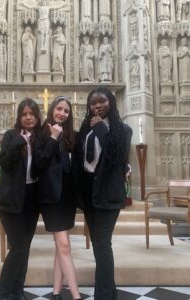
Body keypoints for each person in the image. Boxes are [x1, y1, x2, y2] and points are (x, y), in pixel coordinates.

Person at [73, 86, 132, 300]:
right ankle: (110, 292)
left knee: (103, 244)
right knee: (99, 246)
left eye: (102, 101)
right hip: (90, 195)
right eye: (93, 103)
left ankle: (104, 296)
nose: (97, 106)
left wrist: (99, 129)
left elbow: (116, 158)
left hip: (108, 195)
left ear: (111, 103)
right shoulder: (86, 130)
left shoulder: (123, 130)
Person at [0, 98, 42, 300]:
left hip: (31, 200)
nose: (28, 117)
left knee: (24, 248)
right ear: (19, 117)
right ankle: (3, 292)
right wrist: (19, 142)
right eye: (24, 114)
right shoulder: (11, 136)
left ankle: (17, 290)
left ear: (38, 117)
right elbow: (4, 163)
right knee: (19, 247)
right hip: (11, 200)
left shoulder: (41, 138)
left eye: (32, 114)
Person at [34, 96, 82, 300]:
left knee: (60, 246)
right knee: (64, 245)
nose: (62, 113)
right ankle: (76, 295)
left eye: (66, 111)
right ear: (52, 109)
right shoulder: (41, 133)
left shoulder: (71, 136)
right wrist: (53, 138)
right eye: (59, 109)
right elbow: (39, 164)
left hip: (67, 198)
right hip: (50, 197)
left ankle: (56, 291)